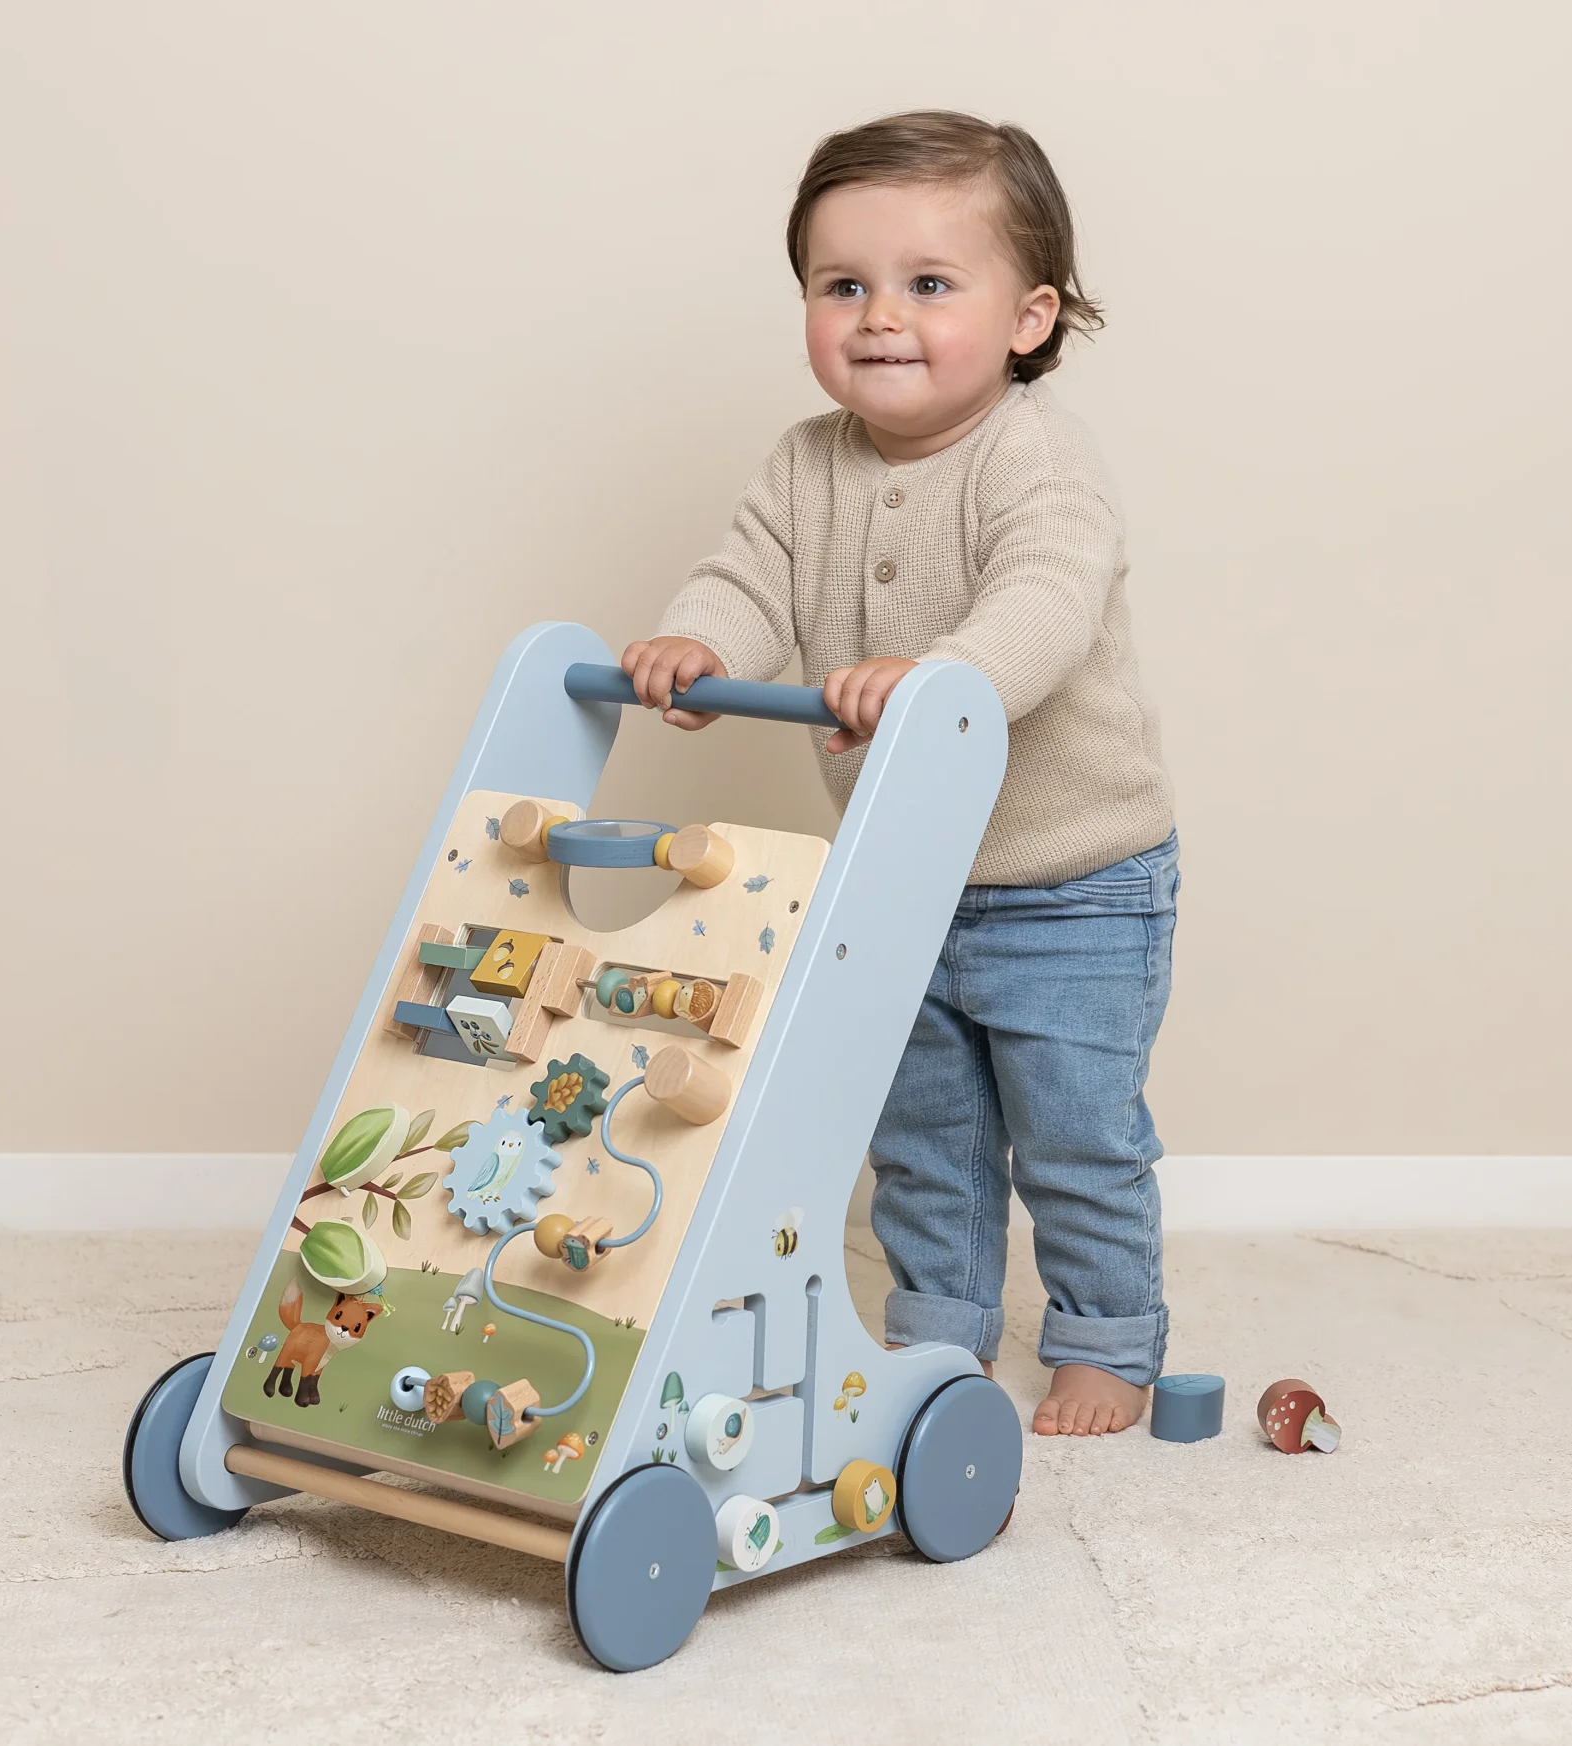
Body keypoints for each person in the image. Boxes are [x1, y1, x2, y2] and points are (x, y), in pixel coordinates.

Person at [623, 111, 1177, 1436]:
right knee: (922, 1135)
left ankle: (1109, 1337)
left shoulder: (1037, 458)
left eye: (929, 284)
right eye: (843, 286)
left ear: (1030, 318)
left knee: (1076, 1134)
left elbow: (1047, 599)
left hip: (1074, 881)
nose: (880, 318)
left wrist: (939, 678)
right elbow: (749, 574)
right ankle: (940, 1336)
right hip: (901, 880)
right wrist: (703, 642)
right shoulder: (804, 462)